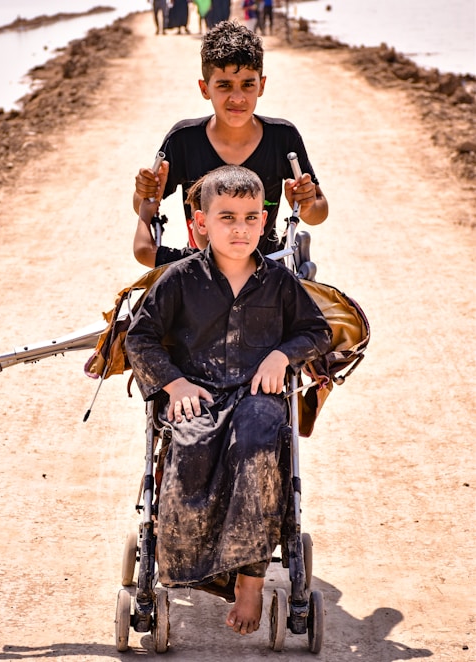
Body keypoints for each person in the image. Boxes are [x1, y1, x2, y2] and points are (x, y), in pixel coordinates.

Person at [126, 165, 332, 635]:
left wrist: (282, 354)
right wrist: (173, 384)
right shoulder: (179, 279)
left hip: (256, 396)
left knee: (260, 441)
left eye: (250, 218)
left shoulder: (279, 282)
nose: (240, 229)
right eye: (227, 218)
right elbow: (142, 339)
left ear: (265, 221)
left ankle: (250, 579)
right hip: (196, 391)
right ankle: (199, 566)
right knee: (192, 447)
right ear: (201, 222)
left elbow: (315, 331)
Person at [133, 20, 328, 257]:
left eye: (247, 84)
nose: (237, 97)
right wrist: (147, 191)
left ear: (261, 85)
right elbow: (144, 204)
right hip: (200, 269)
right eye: (224, 85)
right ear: (205, 89)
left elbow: (319, 211)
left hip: (267, 268)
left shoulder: (283, 138)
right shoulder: (182, 140)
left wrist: (306, 205)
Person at [133, 174, 208, 267]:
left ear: (201, 224)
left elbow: (144, 251)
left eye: (193, 219)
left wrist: (144, 216)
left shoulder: (196, 264)